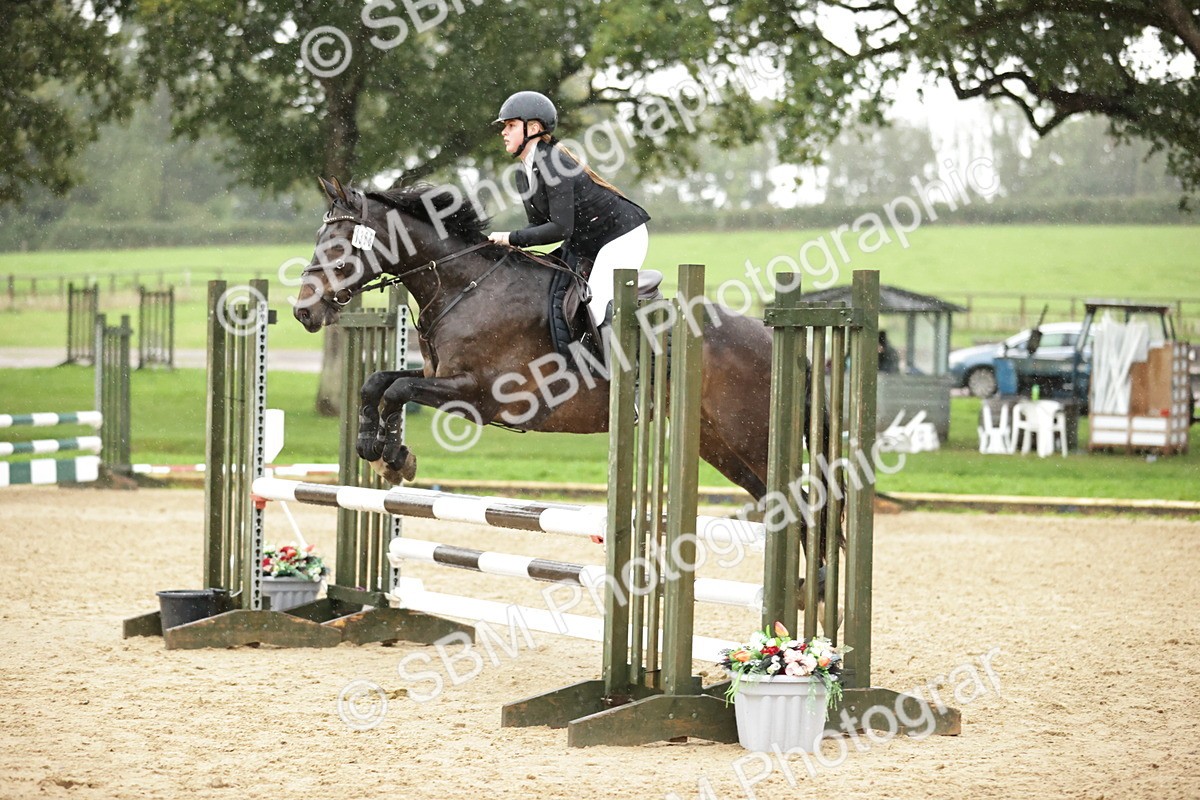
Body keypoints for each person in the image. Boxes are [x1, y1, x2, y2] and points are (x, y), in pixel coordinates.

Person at [487, 91, 650, 328]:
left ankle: (610, 365)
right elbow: (538, 226)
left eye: (511, 125)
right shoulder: (523, 173)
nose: (504, 132)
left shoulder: (554, 163)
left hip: (621, 238)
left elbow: (560, 228)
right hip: (584, 243)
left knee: (593, 309)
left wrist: (511, 238)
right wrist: (509, 245)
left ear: (532, 129)